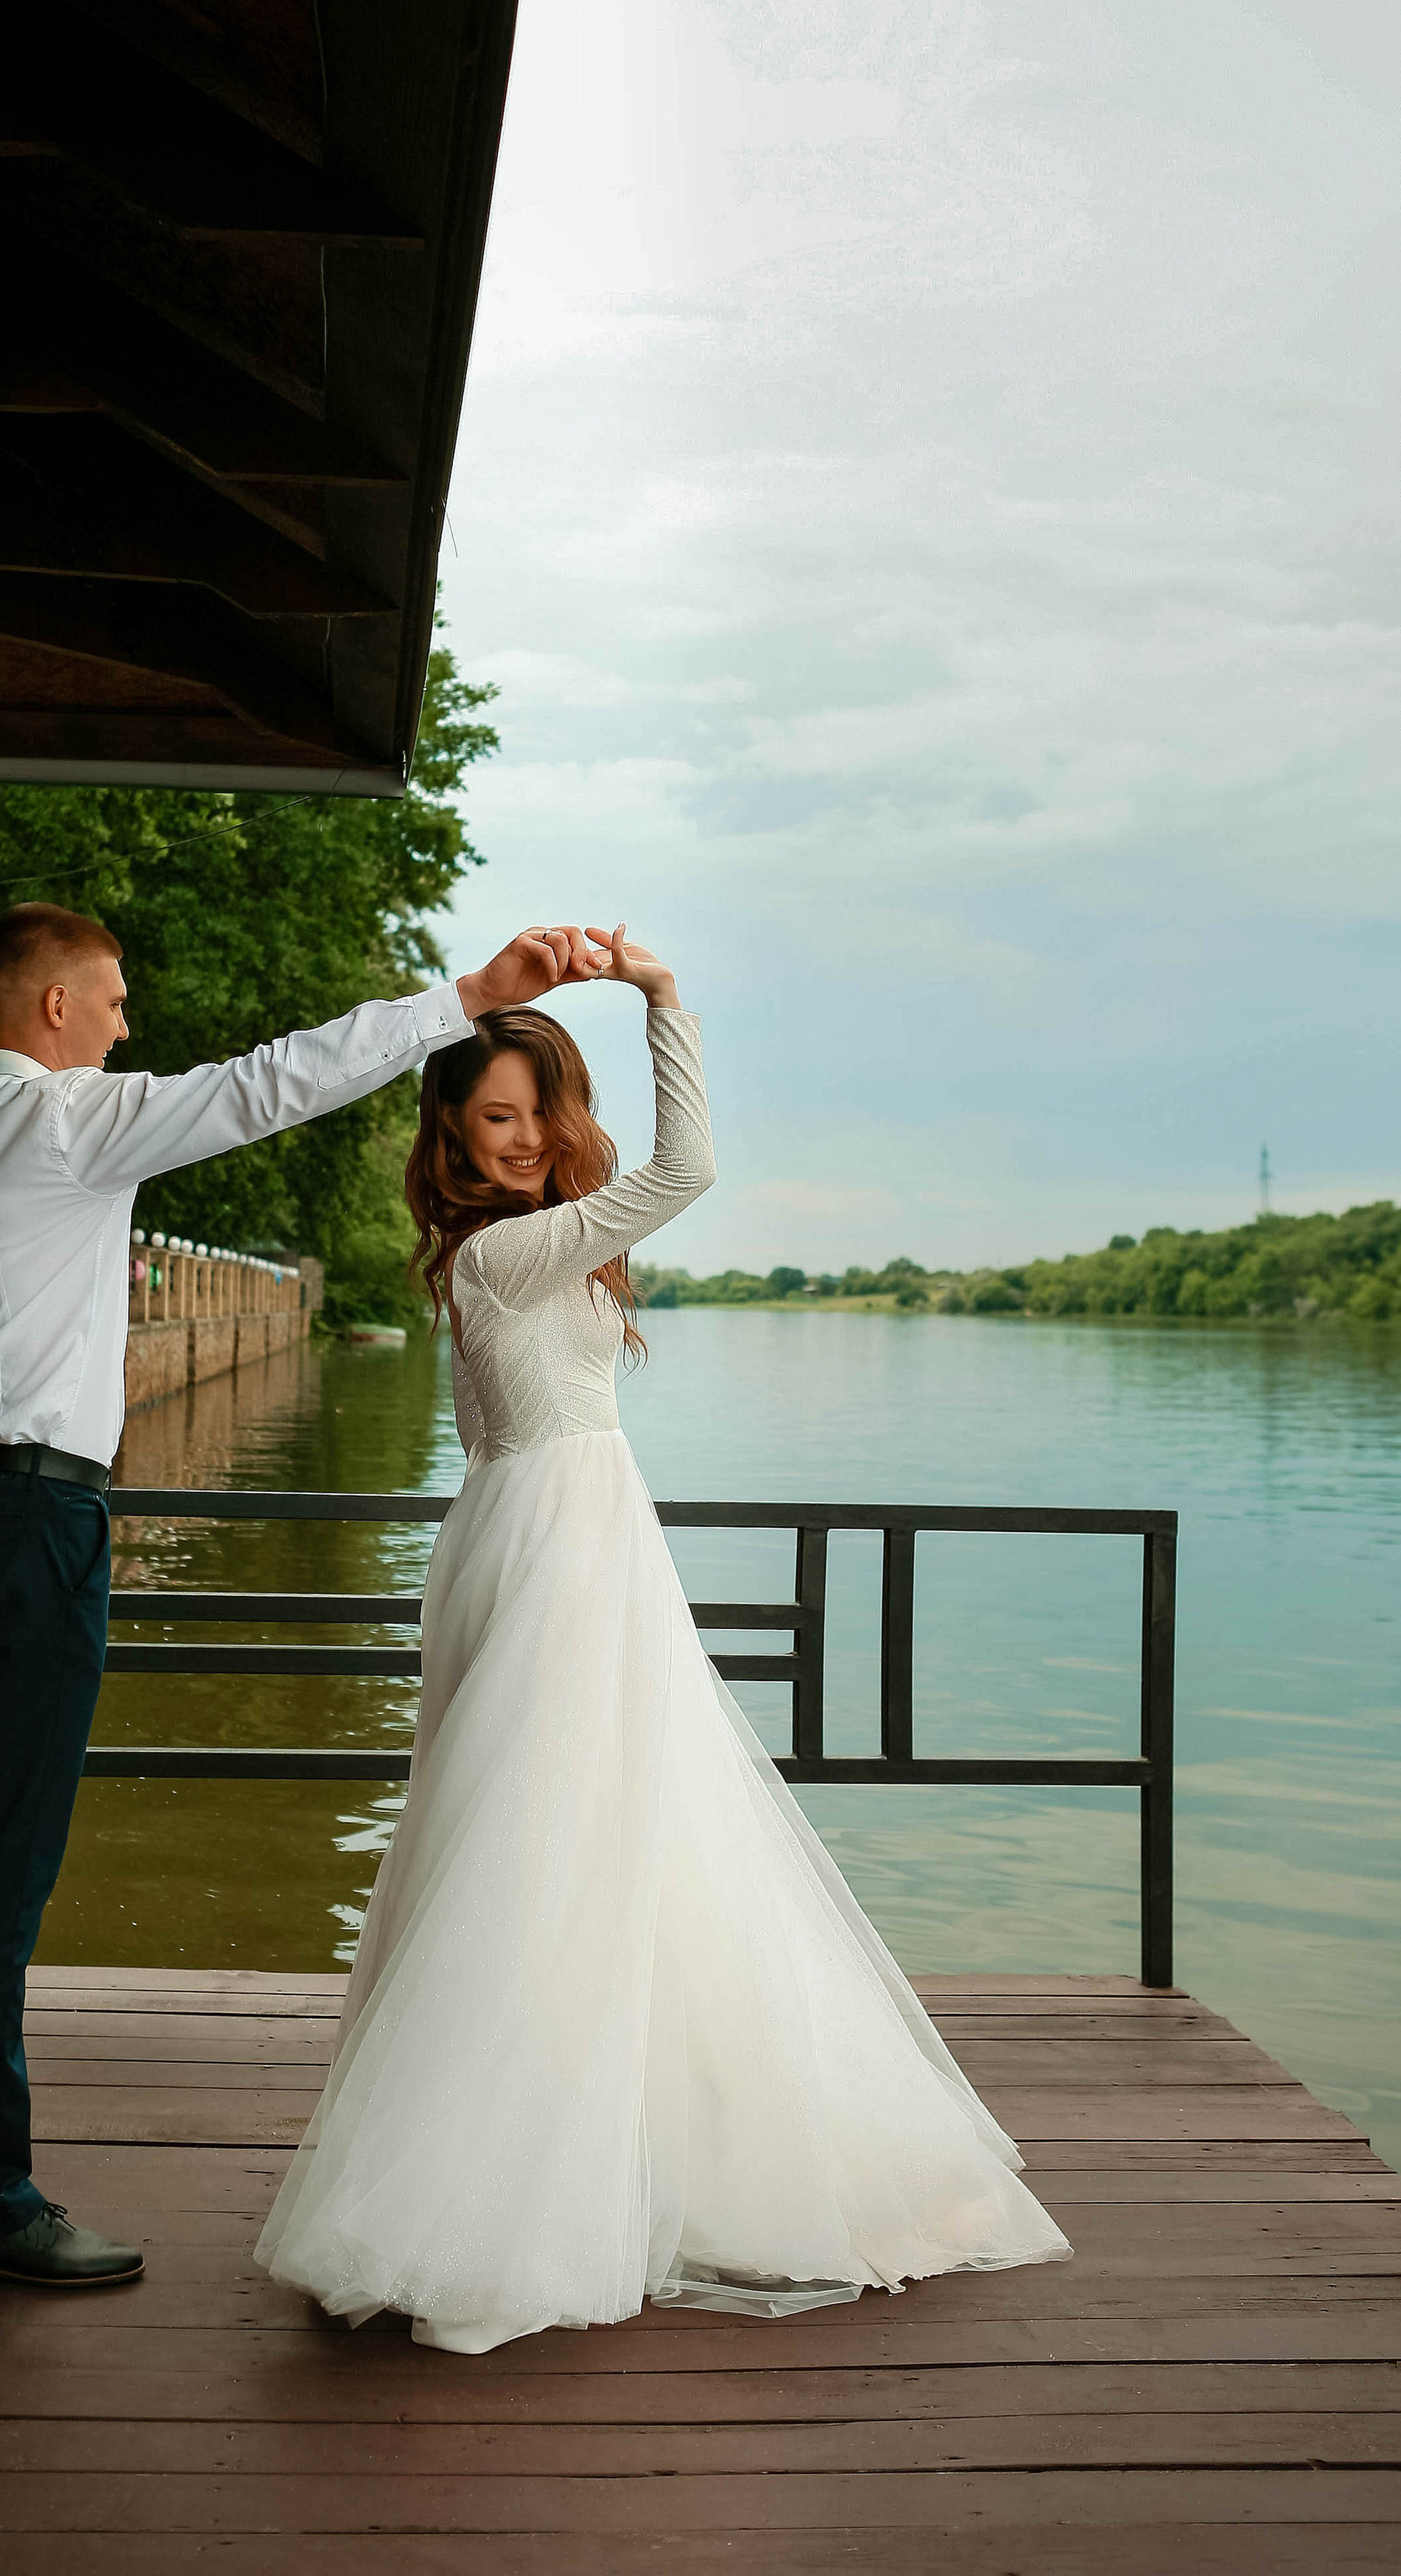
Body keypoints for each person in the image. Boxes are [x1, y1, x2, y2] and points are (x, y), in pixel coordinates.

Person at [256, 927, 1071, 2352]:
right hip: (559, 1553)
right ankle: (497, 2196)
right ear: (452, 1129)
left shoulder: (491, 1255)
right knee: (541, 1841)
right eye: (493, 1117)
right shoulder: (509, 1254)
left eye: (536, 1114)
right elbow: (688, 1171)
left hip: (556, 1539)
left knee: (580, 1842)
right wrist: (661, 1000)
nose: (519, 1140)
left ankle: (553, 2160)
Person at [0, 902, 607, 2286]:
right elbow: (277, 1082)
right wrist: (467, 996)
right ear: (58, 1014)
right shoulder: (71, 1127)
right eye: (120, 1003)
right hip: (33, 1516)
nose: (132, 1026)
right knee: (1, 1869)